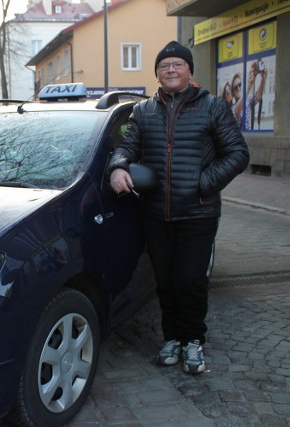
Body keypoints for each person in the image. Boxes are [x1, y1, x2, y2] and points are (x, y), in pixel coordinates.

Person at [106, 41, 249, 374]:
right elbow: (127, 147)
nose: (170, 70)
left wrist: (202, 184)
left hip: (198, 212)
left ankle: (194, 341)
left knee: (190, 280)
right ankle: (172, 338)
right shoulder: (142, 112)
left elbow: (238, 154)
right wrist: (117, 167)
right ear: (156, 73)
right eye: (164, 65)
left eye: (177, 65)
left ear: (189, 71)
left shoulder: (213, 106)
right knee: (165, 281)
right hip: (156, 213)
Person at [245, 60, 267, 130]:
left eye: (239, 85)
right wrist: (248, 88)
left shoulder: (247, 101)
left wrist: (263, 78)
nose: (238, 88)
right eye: (236, 87)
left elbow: (257, 97)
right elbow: (237, 110)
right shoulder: (232, 107)